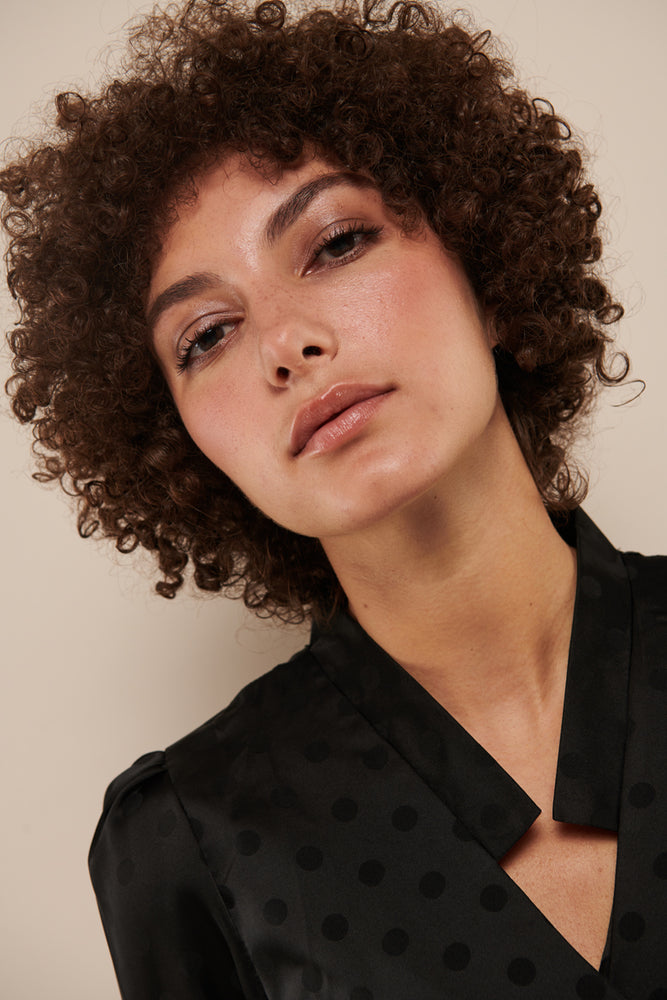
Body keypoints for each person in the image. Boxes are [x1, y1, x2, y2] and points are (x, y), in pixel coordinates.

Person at [1, 0, 665, 997]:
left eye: (338, 243)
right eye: (206, 335)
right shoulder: (188, 839)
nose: (286, 343)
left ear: (486, 274)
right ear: (182, 443)